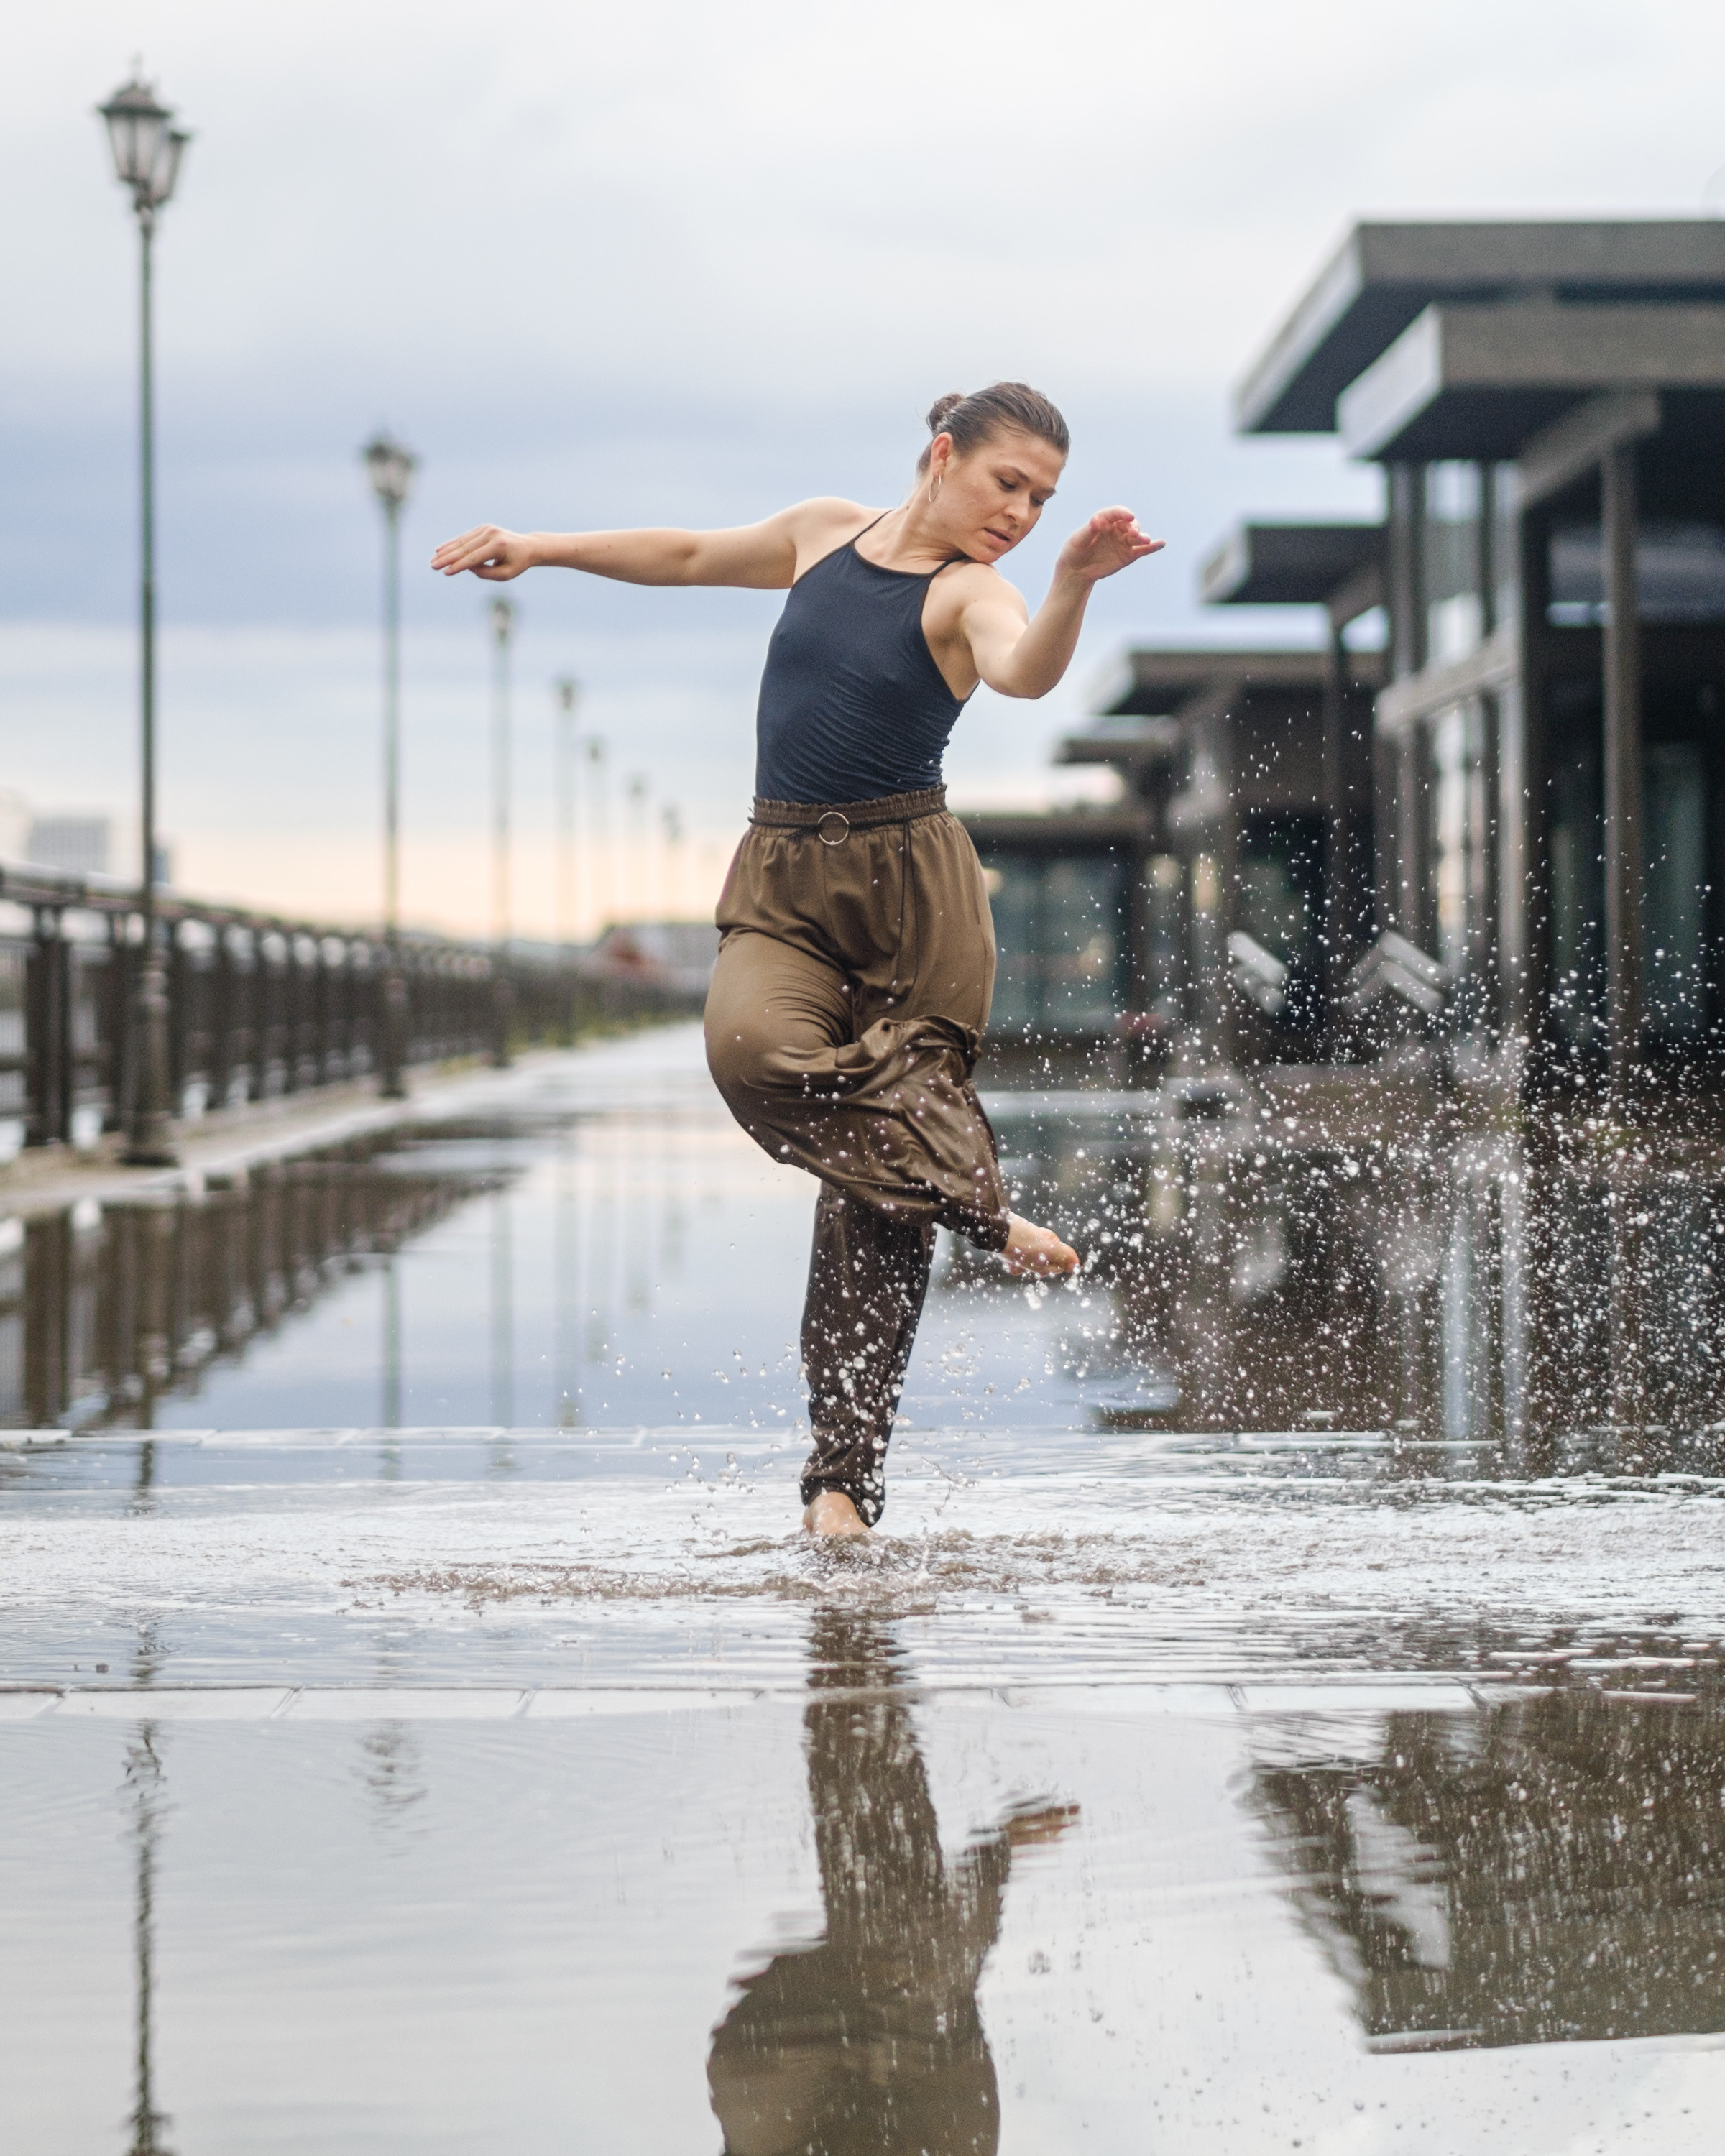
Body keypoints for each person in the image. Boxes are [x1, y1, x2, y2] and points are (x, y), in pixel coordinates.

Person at [431, 382, 1162, 1537]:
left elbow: (1022, 673)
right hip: (783, 879)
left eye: (1041, 498)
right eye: (1006, 482)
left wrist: (1073, 578)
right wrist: (541, 547)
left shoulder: (975, 593)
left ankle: (843, 1490)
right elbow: (681, 553)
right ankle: (978, 1207)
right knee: (750, 1050)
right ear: (943, 453)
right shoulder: (827, 532)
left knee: (871, 1217)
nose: (1019, 511)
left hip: (915, 900)